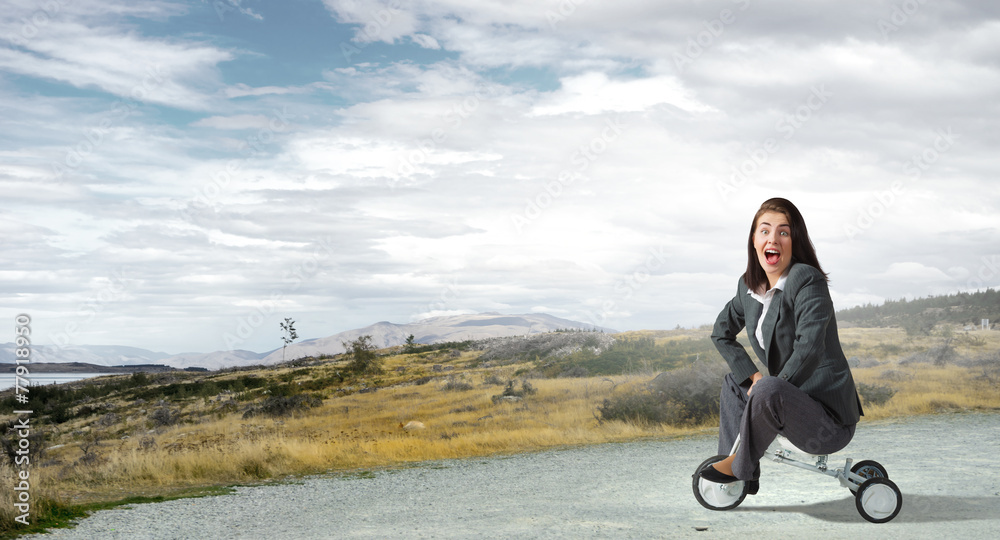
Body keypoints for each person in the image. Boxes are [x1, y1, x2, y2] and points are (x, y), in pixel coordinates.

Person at [700, 197, 863, 492]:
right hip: (788, 403)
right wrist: (755, 377)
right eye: (764, 231)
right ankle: (738, 466)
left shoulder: (807, 280)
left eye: (783, 232)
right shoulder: (748, 287)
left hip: (827, 422)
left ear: (793, 240)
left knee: (768, 388)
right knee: (733, 383)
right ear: (753, 239)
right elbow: (721, 333)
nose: (772, 239)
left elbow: (809, 347)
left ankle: (740, 467)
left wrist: (768, 390)